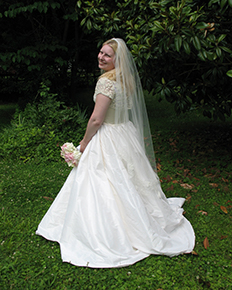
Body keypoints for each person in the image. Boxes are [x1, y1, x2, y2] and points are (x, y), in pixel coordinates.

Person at [36, 38, 195, 268]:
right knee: (130, 179)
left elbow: (97, 119)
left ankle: (111, 227)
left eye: (107, 55)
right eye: (100, 52)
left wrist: (83, 142)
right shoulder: (126, 81)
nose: (101, 57)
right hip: (125, 134)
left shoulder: (106, 83)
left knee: (103, 180)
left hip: (108, 136)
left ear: (117, 60)